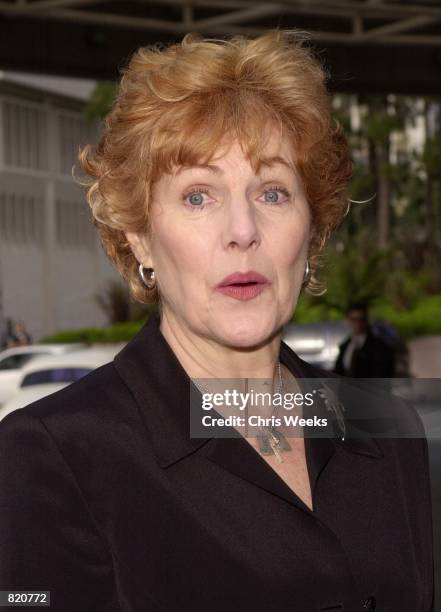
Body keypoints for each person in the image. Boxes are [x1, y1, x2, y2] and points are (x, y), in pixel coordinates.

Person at [0, 30, 433, 612]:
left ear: (313, 228)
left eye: (274, 193)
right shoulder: (53, 456)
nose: (243, 229)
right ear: (140, 237)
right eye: (198, 196)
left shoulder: (384, 427)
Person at [334, 302, 396, 378]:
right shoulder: (345, 346)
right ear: (348, 320)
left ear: (366, 320)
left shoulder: (379, 346)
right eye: (353, 319)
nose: (357, 323)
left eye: (361, 319)